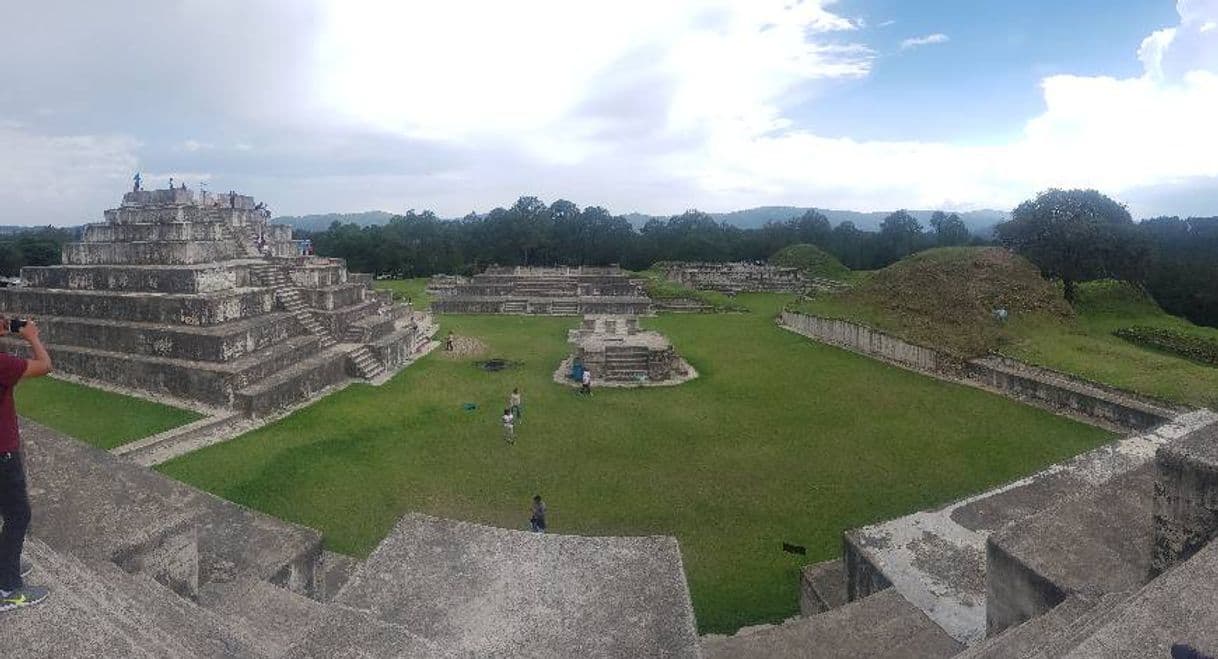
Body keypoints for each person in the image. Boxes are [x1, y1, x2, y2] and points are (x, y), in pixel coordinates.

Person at [0, 318, 54, 612]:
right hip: (2, 454)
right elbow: (45, 365)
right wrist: (32, 336)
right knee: (19, 514)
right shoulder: (4, 365)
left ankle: (4, 562)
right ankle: (8, 588)